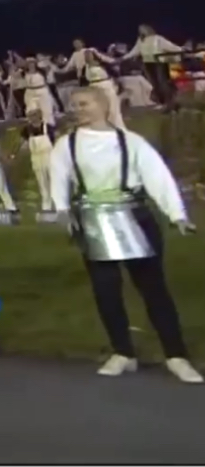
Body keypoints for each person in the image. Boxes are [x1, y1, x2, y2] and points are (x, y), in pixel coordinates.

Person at [50, 87, 200, 384]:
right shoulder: (66, 145)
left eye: (85, 103)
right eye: (75, 105)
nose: (79, 109)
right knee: (106, 290)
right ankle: (123, 352)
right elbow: (58, 179)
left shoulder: (130, 142)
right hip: (93, 220)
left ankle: (176, 355)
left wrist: (176, 214)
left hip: (135, 216)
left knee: (153, 288)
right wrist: (63, 211)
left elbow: (157, 176)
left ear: (104, 106)